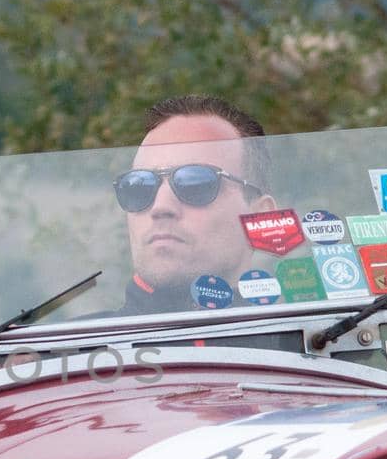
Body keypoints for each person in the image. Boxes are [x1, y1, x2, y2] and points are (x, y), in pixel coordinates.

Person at [117, 94, 277, 313]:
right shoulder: (72, 344)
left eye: (196, 183)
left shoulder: (316, 338)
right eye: (139, 186)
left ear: (260, 218)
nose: (160, 207)